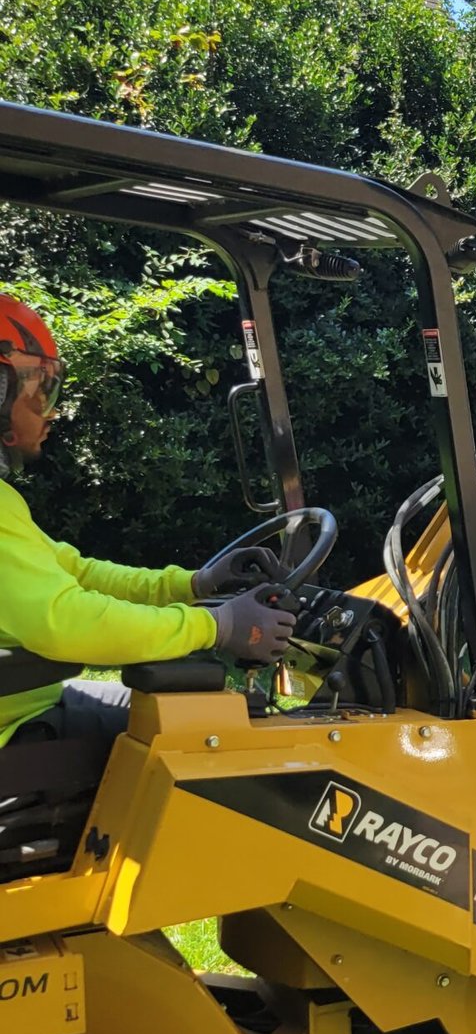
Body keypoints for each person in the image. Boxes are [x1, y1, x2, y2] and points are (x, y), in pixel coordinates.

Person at [0, 292, 297, 753]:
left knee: (189, 712)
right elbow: (65, 621)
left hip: (25, 708)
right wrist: (215, 626)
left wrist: (192, 584)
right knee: (219, 740)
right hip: (14, 731)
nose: (51, 409)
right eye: (39, 389)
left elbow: (77, 573)